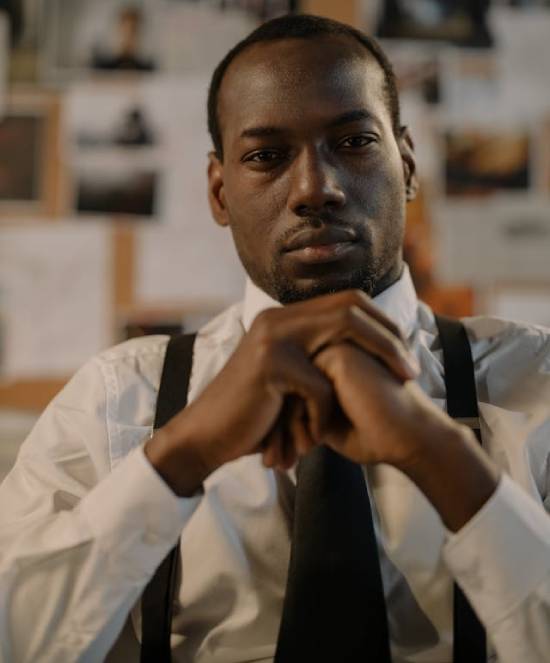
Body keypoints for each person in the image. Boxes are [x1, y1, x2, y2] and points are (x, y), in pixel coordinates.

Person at [1, 13, 550, 663]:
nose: (316, 188)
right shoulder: (114, 403)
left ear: (406, 163)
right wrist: (180, 454)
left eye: (352, 142)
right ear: (219, 190)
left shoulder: (536, 382)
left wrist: (442, 455)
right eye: (266, 155)